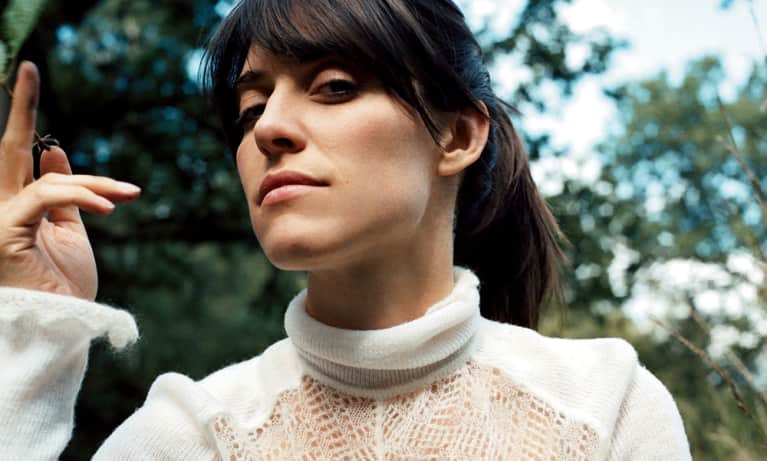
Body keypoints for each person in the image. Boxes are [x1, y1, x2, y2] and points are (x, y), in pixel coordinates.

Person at [0, 0, 691, 459]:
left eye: (333, 86)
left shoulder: (604, 406)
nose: (268, 128)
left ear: (456, 135)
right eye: (250, 109)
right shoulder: (189, 433)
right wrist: (31, 337)